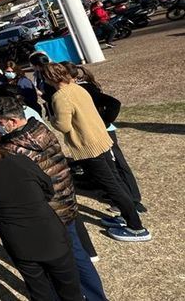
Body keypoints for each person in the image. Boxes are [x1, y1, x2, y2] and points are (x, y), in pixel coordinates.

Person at [0, 98, 107, 300]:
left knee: (64, 260)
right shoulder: (42, 129)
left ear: (12, 121)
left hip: (48, 212)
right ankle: (96, 295)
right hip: (67, 197)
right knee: (78, 252)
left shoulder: (15, 149)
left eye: (0, 123)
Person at [0, 122, 83, 301]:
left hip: (17, 240)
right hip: (49, 232)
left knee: (39, 291)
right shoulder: (20, 160)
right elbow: (48, 189)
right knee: (69, 288)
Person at [42, 63, 151, 242]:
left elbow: (64, 125)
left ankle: (136, 227)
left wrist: (52, 118)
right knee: (115, 179)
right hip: (101, 139)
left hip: (88, 146)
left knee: (111, 185)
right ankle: (127, 214)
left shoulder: (60, 97)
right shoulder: (78, 88)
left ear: (49, 78)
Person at [62, 62, 147, 214]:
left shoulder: (84, 88)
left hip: (103, 131)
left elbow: (113, 103)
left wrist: (105, 121)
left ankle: (131, 200)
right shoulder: (79, 87)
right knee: (113, 166)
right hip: (99, 131)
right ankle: (126, 198)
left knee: (116, 166)